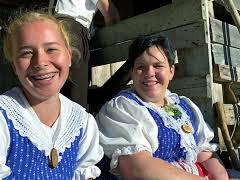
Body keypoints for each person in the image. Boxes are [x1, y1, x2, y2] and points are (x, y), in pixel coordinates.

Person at [0, 11, 103, 179]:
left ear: (69, 57)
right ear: (14, 66)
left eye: (51, 49)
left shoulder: (82, 123)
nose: (40, 62)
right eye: (27, 53)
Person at [96, 35, 229, 179]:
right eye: (141, 67)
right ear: (132, 73)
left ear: (171, 71)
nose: (150, 73)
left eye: (158, 66)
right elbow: (136, 169)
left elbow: (205, 155)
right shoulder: (122, 109)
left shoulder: (183, 106)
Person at [53, 0, 120, 108]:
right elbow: (111, 15)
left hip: (56, 27)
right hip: (72, 29)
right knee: (76, 91)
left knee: (61, 88)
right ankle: (76, 122)